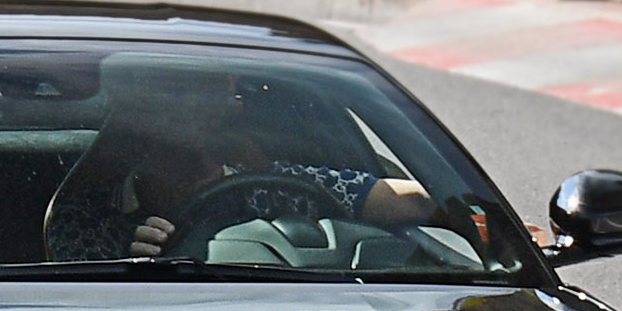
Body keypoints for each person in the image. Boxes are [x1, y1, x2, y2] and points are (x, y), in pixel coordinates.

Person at [43, 65, 441, 261]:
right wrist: (135, 263)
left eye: (227, 92)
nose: (225, 104)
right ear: (144, 112)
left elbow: (417, 201)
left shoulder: (276, 187)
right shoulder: (89, 215)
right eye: (192, 93)